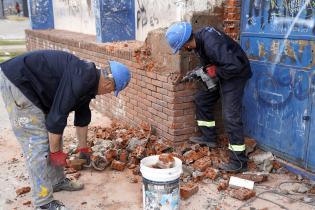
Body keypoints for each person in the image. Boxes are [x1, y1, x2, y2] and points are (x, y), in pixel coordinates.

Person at [0, 50, 131, 210]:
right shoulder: (82, 78)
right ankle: (43, 203)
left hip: (35, 87)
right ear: (109, 83)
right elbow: (57, 116)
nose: (108, 93)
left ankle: (56, 181)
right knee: (37, 144)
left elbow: (82, 115)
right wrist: (55, 154)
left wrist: (83, 149)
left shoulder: (90, 79)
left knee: (54, 138)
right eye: (112, 90)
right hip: (19, 82)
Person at [165, 22, 252, 172]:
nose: (183, 50)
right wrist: (206, 70)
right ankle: (209, 137)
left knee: (230, 116)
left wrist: (215, 71)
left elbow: (235, 66)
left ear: (186, 43)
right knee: (202, 99)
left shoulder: (211, 43)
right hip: (224, 71)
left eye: (181, 47)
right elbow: (213, 61)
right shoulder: (199, 41)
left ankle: (239, 161)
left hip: (236, 74)